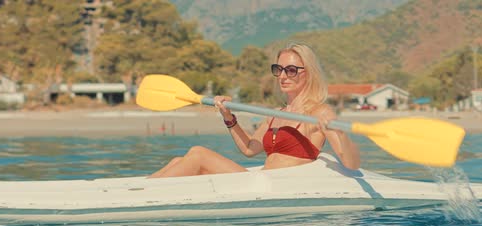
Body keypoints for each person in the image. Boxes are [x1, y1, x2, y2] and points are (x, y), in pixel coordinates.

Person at [149, 43, 360, 178]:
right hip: (262, 181)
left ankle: (145, 192)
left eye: (291, 70)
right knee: (179, 161)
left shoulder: (320, 112)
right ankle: (139, 188)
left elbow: (351, 164)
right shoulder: (277, 113)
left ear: (309, 73)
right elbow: (250, 148)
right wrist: (228, 117)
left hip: (282, 187)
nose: (283, 76)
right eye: (279, 69)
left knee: (198, 153)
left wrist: (340, 134)